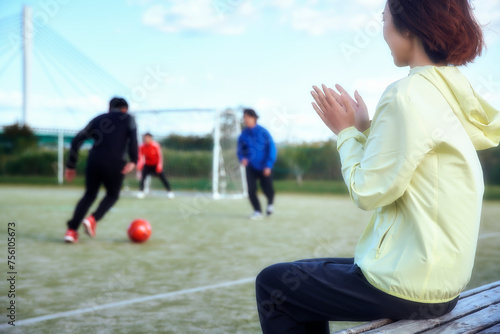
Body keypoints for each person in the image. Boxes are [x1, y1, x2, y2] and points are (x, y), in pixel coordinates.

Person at [255, 0, 500, 333]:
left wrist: (344, 133)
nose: (383, 30)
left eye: (384, 19)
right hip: (443, 280)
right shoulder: (447, 89)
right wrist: (366, 128)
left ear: (409, 26)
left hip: (415, 287)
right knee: (295, 275)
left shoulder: (405, 94)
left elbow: (368, 191)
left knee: (275, 285)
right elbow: (408, 161)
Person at [64, 97, 138, 243]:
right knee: (112, 194)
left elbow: (77, 140)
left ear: (109, 108)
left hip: (94, 161)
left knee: (89, 195)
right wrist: (134, 160)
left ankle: (71, 231)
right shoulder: (128, 118)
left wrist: (71, 165)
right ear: (125, 109)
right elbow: (133, 140)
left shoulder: (98, 119)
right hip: (115, 162)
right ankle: (93, 219)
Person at [237, 108, 277, 220]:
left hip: (265, 166)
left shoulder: (263, 132)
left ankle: (270, 204)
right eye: (244, 117)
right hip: (250, 167)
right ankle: (257, 211)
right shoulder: (243, 134)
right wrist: (242, 158)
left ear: (254, 118)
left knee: (267, 189)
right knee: (250, 190)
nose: (246, 119)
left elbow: (271, 149)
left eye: (248, 117)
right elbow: (240, 150)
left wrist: (268, 165)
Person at [136, 132, 174, 199]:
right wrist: (139, 168)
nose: (146, 139)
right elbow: (141, 158)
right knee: (142, 178)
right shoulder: (142, 146)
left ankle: (169, 192)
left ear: (150, 138)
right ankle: (141, 192)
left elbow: (160, 156)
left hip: (156, 165)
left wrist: (159, 166)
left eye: (147, 138)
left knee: (163, 178)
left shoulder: (155, 145)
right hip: (147, 165)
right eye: (145, 138)